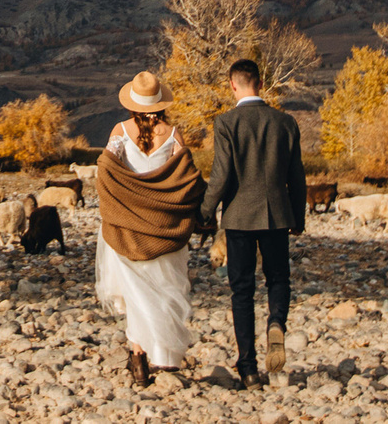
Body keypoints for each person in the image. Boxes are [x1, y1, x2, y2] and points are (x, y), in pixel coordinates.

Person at [200, 57, 309, 388]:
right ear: (260, 83)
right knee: (278, 279)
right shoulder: (286, 123)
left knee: (242, 290)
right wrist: (297, 216)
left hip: (239, 217)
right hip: (277, 214)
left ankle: (248, 367)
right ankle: (276, 322)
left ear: (233, 85)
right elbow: (297, 177)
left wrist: (204, 212)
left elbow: (220, 177)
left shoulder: (226, 123)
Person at [93, 70, 205, 387]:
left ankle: (138, 356)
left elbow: (106, 167)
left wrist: (125, 199)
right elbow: (189, 178)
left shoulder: (120, 131)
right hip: (164, 228)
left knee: (135, 292)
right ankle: (163, 355)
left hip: (128, 229)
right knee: (165, 291)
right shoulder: (173, 134)